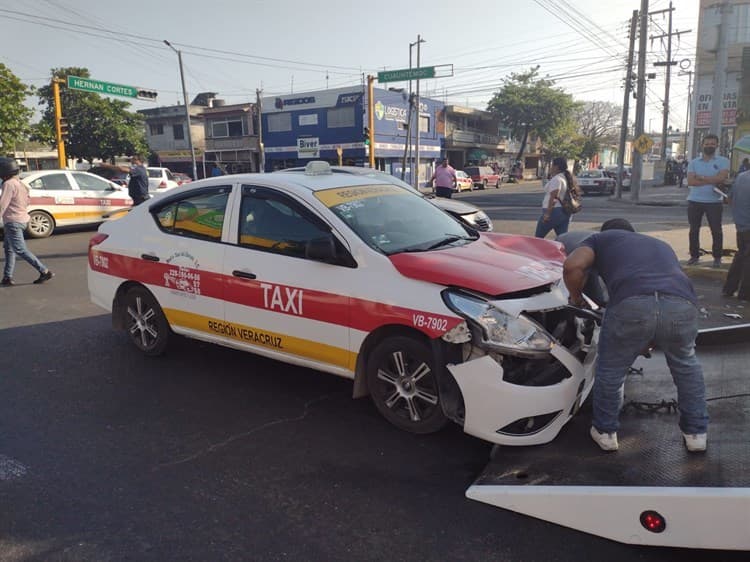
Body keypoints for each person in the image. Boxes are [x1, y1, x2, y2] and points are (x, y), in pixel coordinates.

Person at [563, 218, 708, 453]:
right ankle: (696, 434)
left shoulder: (599, 239)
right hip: (682, 304)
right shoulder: (660, 245)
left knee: (610, 369)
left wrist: (576, 299)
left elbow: (572, 267)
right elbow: (659, 305)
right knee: (687, 367)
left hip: (632, 301)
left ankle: (606, 431)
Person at [0, 157, 54, 286]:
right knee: (9, 249)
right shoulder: (20, 183)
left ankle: (44, 271)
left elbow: (2, 205)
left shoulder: (8, 184)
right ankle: (7, 277)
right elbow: (27, 201)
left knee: (20, 249)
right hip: (20, 219)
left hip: (13, 222)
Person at [686, 134, 729, 267]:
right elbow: (691, 181)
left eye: (712, 144)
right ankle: (694, 256)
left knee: (716, 230)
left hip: (714, 202)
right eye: (707, 143)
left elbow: (721, 179)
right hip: (694, 201)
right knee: (694, 230)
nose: (709, 146)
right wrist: (712, 179)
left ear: (717, 145)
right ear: (702, 144)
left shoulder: (723, 161)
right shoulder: (693, 162)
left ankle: (717, 257)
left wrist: (702, 178)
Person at [723, 167, 750, 300]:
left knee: (740, 256)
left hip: (741, 225)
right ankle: (745, 293)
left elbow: (729, 199)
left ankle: (729, 288)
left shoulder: (741, 177)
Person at [535, 156, 576, 238]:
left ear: (556, 167)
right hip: (564, 212)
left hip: (553, 211)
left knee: (538, 238)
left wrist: (547, 214)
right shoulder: (565, 178)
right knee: (562, 239)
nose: (551, 167)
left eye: (552, 165)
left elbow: (554, 198)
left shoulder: (557, 179)